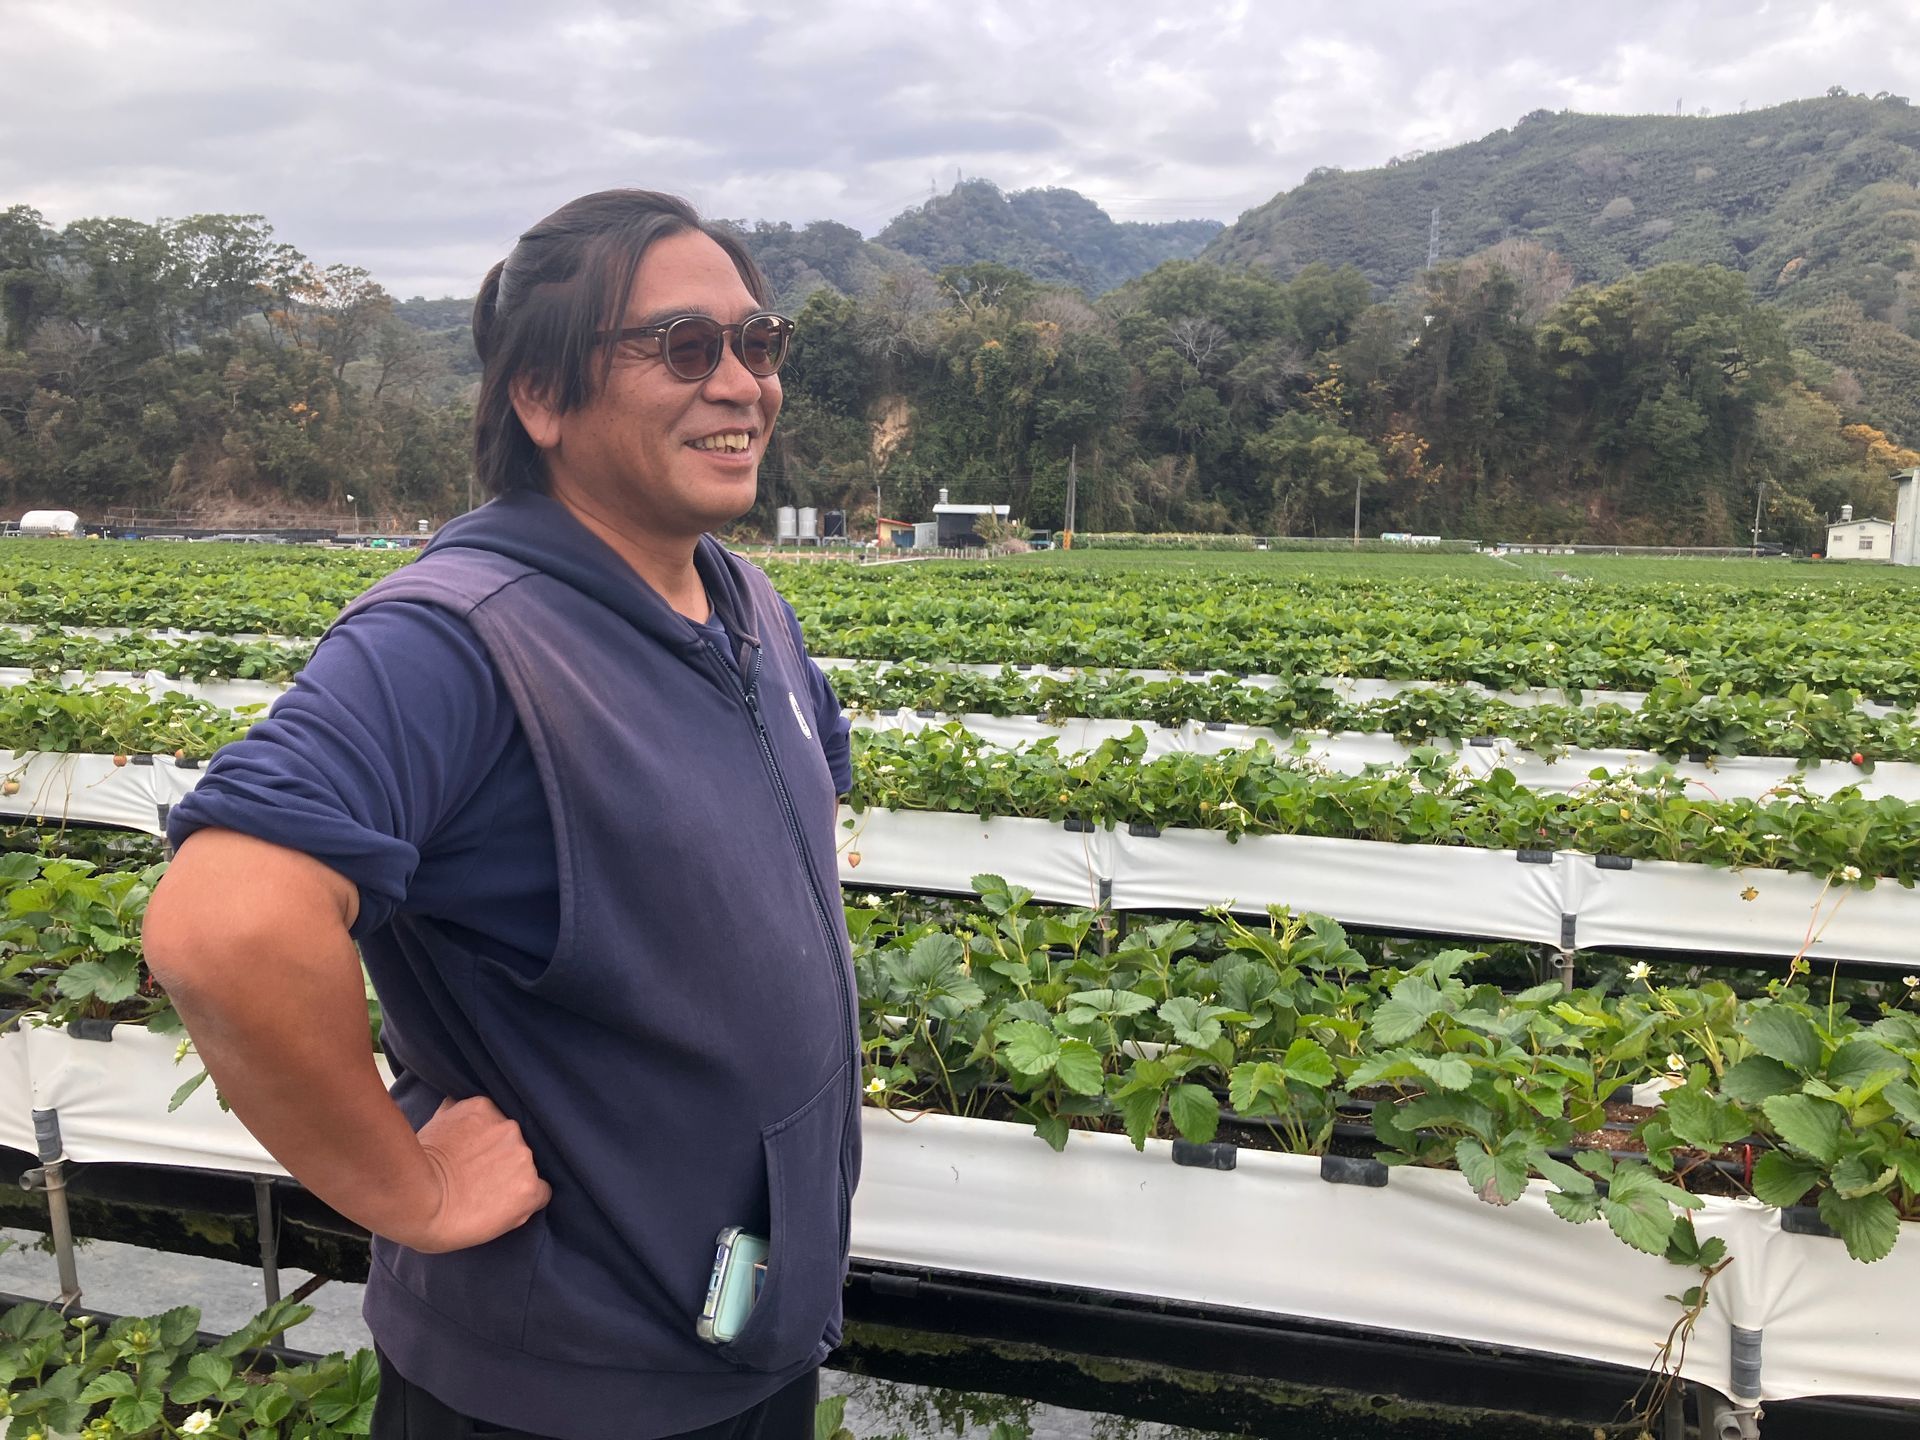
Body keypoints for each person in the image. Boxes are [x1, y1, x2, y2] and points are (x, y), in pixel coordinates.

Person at [142, 190, 861, 1440]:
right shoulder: (458, 636)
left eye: (760, 343)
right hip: (559, 1390)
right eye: (687, 348)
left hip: (740, 1336)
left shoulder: (743, 600)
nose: (741, 383)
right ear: (541, 397)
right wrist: (407, 1185)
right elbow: (225, 928)